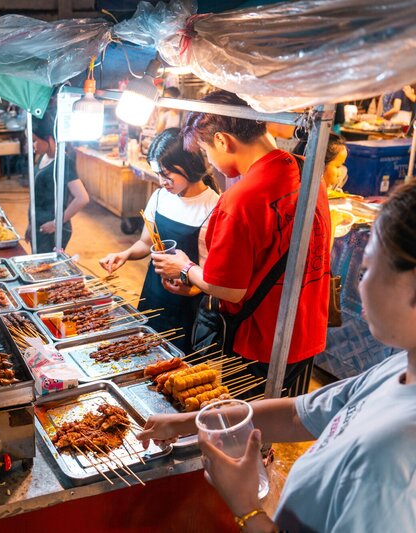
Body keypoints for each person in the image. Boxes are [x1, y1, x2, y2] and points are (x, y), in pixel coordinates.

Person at [139, 181, 416, 531]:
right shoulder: (395, 369)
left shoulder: (396, 460)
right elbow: (299, 416)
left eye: (367, 269)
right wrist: (185, 423)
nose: (358, 285)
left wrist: (247, 508)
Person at [152, 90, 332, 397]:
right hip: (306, 328)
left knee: (241, 425)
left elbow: (227, 288)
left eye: (207, 152)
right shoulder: (305, 168)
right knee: (274, 413)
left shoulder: (240, 200)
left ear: (223, 141)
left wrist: (185, 267)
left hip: (260, 339)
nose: (210, 161)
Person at [99, 128, 219, 353]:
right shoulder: (160, 196)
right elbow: (146, 243)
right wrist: (124, 255)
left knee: (177, 365)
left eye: (167, 174)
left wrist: (192, 290)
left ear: (188, 164)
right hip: (154, 292)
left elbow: (213, 273)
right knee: (144, 351)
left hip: (187, 303)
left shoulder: (212, 207)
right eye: (158, 174)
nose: (162, 181)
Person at [29, 113, 90, 253]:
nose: (31, 145)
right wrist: (30, 225)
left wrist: (56, 224)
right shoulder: (42, 158)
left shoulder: (63, 162)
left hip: (52, 230)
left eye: (34, 140)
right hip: (39, 225)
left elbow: (82, 198)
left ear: (49, 139)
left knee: (46, 270)